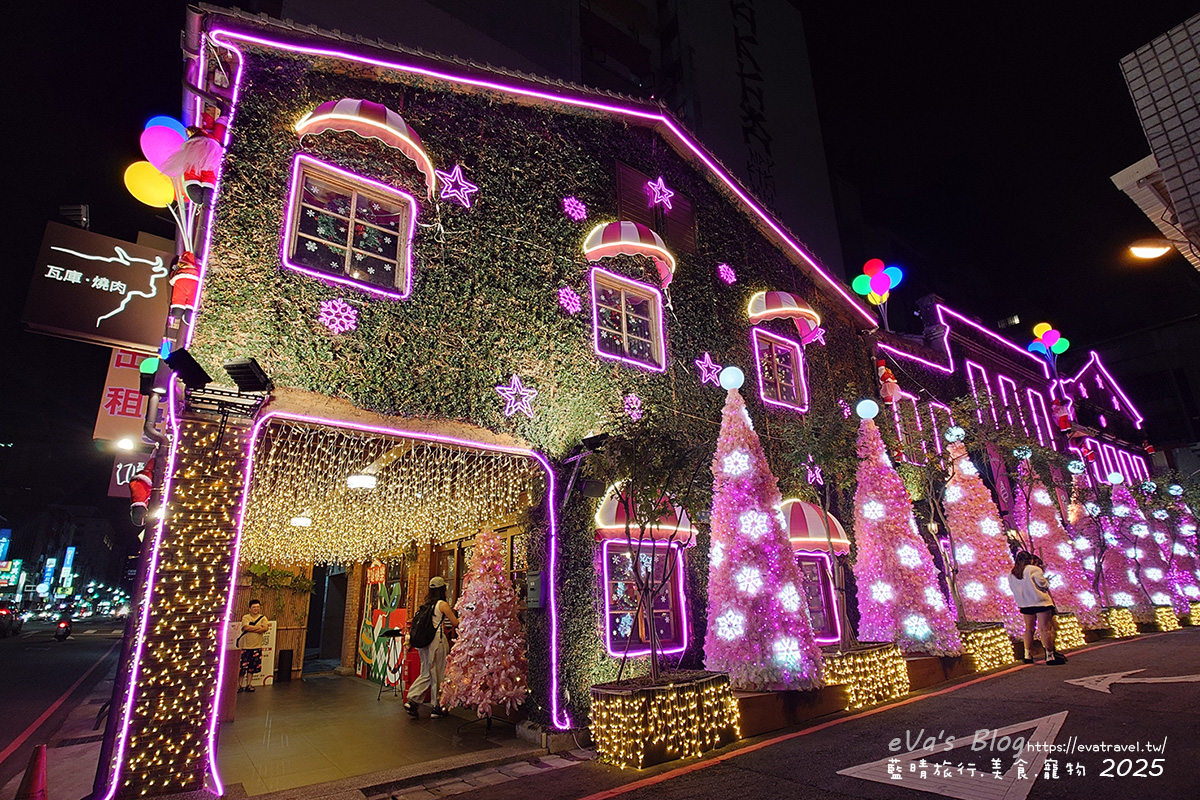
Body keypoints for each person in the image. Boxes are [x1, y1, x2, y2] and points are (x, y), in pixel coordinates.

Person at [404, 576, 459, 718]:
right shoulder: (442, 605)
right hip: (437, 641)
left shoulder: (426, 605)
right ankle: (437, 706)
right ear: (443, 589)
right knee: (439, 673)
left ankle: (413, 700)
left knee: (426, 672)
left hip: (424, 643)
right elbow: (455, 622)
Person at [1007, 551, 1067, 665]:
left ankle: (1027, 655)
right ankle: (1050, 656)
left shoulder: (1012, 573)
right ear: (1029, 559)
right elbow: (1042, 584)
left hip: (1025, 604)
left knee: (1029, 629)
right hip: (1040, 602)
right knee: (1045, 629)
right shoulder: (1034, 569)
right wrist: (1046, 579)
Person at [238, 599, 270, 692]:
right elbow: (245, 627)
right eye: (254, 607)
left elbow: (265, 628)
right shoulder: (246, 617)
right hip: (245, 646)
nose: (256, 609)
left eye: (257, 607)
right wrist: (259, 628)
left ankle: (249, 684)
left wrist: (252, 628)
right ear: (249, 609)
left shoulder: (263, 618)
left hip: (257, 646)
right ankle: (239, 685)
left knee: (252, 668)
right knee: (242, 668)